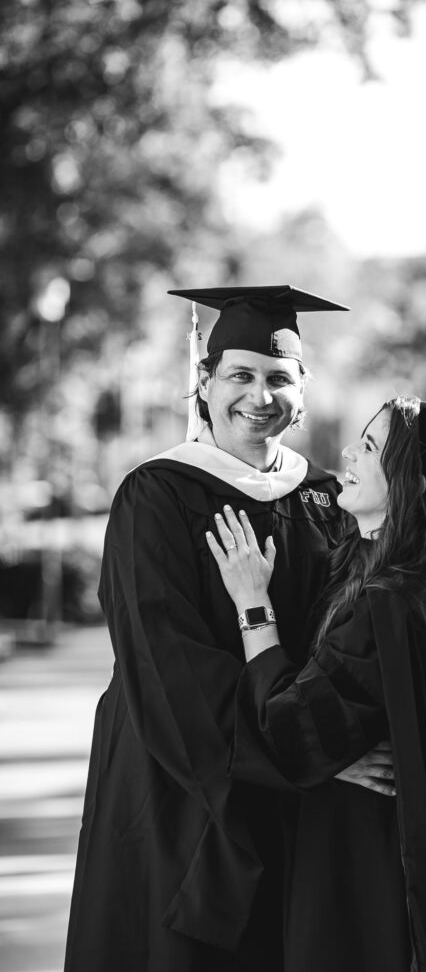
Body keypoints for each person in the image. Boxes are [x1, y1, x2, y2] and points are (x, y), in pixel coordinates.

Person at [65, 285, 390, 972]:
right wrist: (307, 759)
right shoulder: (155, 497)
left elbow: (343, 650)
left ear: (302, 392)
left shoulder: (326, 501)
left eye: (279, 378)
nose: (259, 395)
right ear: (204, 384)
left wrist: (326, 743)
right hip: (177, 781)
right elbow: (167, 667)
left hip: (291, 783)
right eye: (239, 375)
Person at [206, 394, 426, 972]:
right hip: (388, 853)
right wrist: (340, 752)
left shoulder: (385, 608)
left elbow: (291, 732)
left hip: (362, 869)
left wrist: (253, 606)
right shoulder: (419, 590)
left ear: (414, 484)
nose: (349, 453)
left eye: (372, 446)